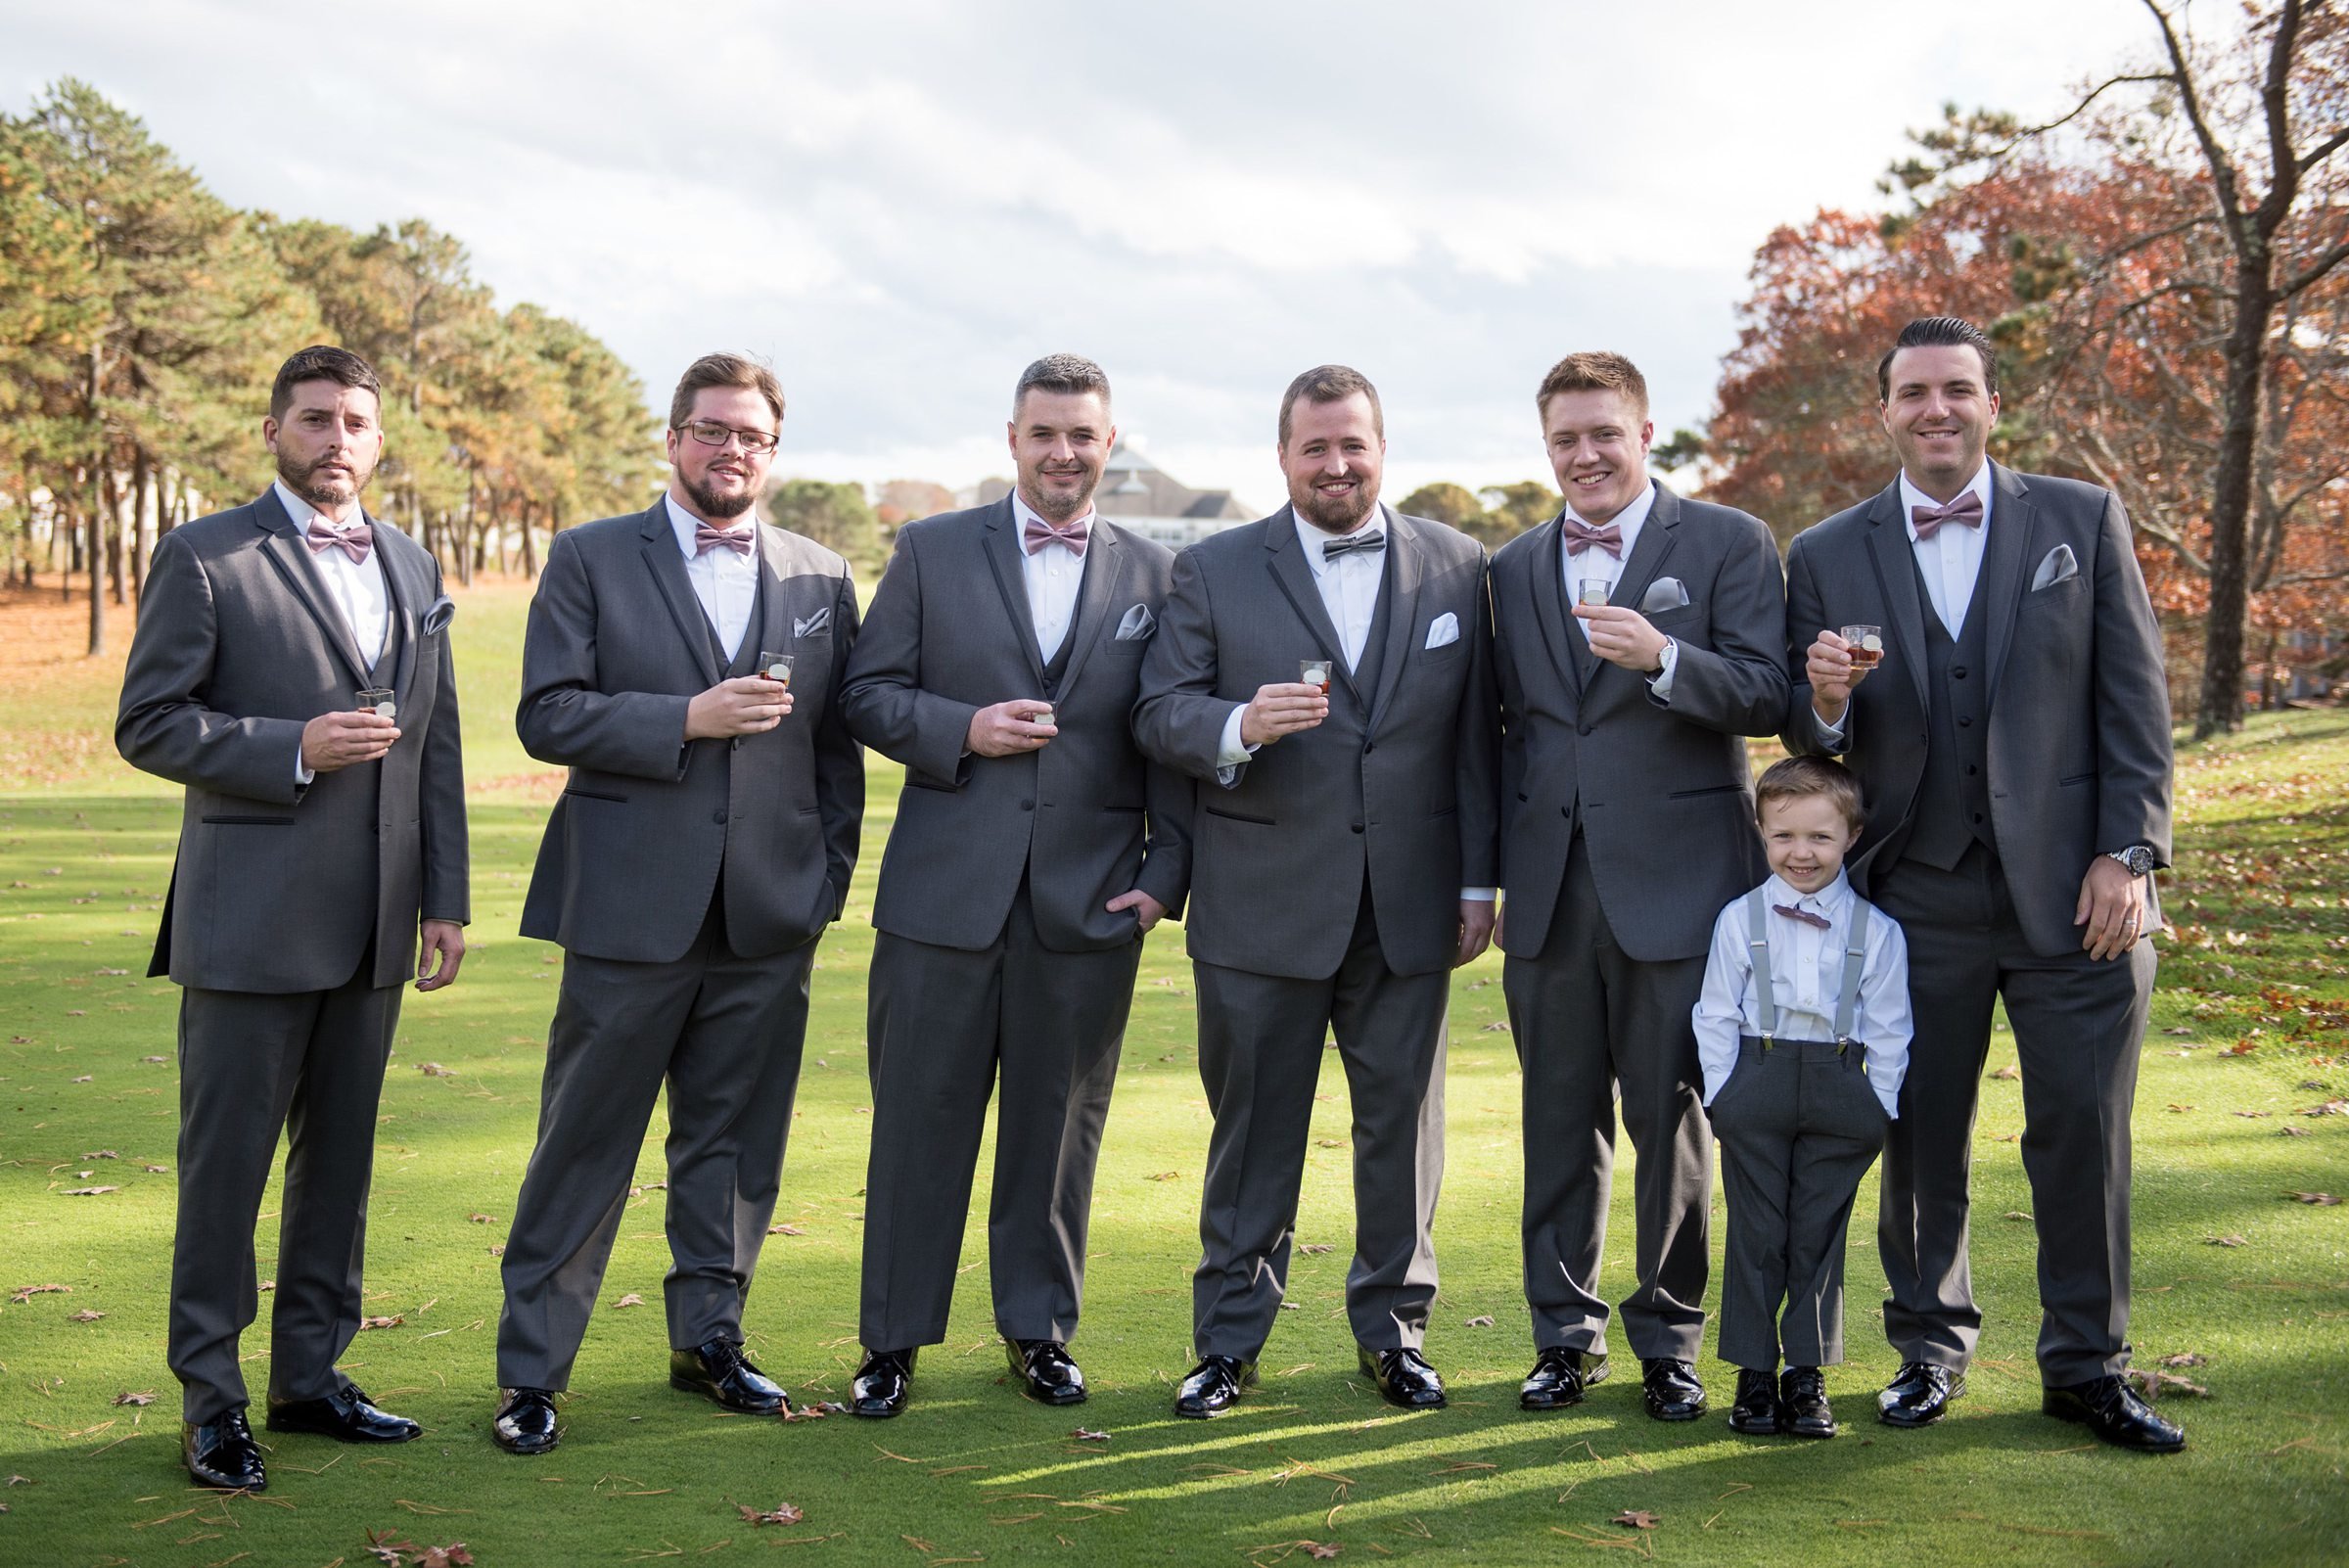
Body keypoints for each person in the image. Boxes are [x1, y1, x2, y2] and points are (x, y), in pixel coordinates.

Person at [1784, 315, 2180, 1452]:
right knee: (1919, 1135)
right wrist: (1821, 699)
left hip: (2080, 892)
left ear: (1994, 404)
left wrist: (2132, 852)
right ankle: (1929, 1350)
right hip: (1914, 893)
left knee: (2082, 1132)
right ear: (1886, 412)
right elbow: (1815, 743)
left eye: (1958, 388)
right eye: (1914, 393)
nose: (1937, 409)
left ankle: (2088, 1369)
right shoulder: (1823, 550)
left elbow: (2134, 705)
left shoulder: (2080, 518)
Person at [490, 353, 863, 1455]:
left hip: (768, 916)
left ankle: (711, 1338)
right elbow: (547, 714)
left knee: (737, 1147)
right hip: (626, 908)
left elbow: (838, 751)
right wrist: (684, 719)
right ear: (672, 440)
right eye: (709, 430)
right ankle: (532, 1372)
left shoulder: (819, 577)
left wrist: (822, 881)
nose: (729, 449)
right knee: (584, 1143)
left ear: (774, 451)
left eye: (750, 434)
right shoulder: (591, 557)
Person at [116, 345, 469, 1492]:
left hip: (375, 922)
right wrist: (291, 749)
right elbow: (150, 723)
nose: (337, 441)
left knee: (343, 1168)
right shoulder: (206, 555)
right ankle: (211, 1403)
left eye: (357, 423)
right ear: (274, 430)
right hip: (248, 920)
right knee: (228, 1174)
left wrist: (445, 899)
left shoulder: (415, 564)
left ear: (379, 439)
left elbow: (438, 745)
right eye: (315, 419)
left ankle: (311, 1378)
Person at [1134, 364, 1498, 1417]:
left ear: (1382, 449)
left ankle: (1395, 1335)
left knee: (1403, 1133)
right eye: (1315, 448)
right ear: (1283, 456)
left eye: (1354, 446)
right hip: (1260, 906)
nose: (1336, 465)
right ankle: (1227, 1344)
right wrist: (1240, 726)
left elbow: (1477, 739)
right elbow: (1159, 714)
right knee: (1253, 1137)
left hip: (1411, 905)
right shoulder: (1211, 570)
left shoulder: (1457, 564)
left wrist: (1478, 883)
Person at [836, 353, 1189, 1416]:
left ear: (1108, 444)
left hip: (1088, 904)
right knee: (916, 1124)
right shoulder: (932, 551)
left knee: (1057, 1133)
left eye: (1083, 435)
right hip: (943, 898)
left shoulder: (1160, 578)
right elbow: (865, 693)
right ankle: (892, 1343)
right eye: (1044, 434)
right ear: (1012, 439)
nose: (1063, 453)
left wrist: (1166, 871)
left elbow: (1170, 736)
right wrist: (963, 730)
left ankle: (1038, 1332)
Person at [1489, 351, 1789, 1423]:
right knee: (1558, 1119)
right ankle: (1561, 1337)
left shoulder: (1728, 543)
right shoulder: (1513, 566)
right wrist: (1488, 881)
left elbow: (1768, 696)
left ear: (1646, 432)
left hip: (1684, 889)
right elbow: (1502, 734)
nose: (1585, 455)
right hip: (1550, 892)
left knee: (1673, 1124)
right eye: (1566, 439)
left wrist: (1666, 658)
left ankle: (1670, 1339)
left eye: (1603, 433)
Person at [1694, 757, 1911, 1439]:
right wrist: (1722, 1096)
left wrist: (1877, 1106)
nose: (1802, 853)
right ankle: (1754, 1375)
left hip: (1841, 1087)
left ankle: (1806, 1376)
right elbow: (1715, 1013)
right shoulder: (1738, 919)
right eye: (1784, 836)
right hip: (1755, 1080)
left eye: (1820, 836)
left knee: (1819, 1231)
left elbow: (1890, 1028)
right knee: (1757, 1231)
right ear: (1761, 835)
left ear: (1851, 835)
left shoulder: (1877, 931)